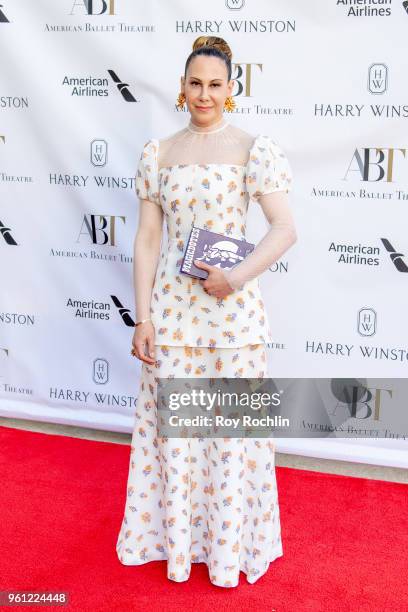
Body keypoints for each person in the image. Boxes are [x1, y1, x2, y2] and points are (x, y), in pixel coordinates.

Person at [116, 35, 297, 588]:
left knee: (230, 436)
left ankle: (227, 548)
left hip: (234, 319)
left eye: (215, 84)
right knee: (176, 436)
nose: (204, 94)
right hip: (172, 320)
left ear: (231, 89)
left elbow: (285, 229)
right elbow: (149, 240)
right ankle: (176, 545)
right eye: (195, 83)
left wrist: (236, 277)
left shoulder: (252, 148)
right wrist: (143, 317)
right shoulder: (159, 153)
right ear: (182, 86)